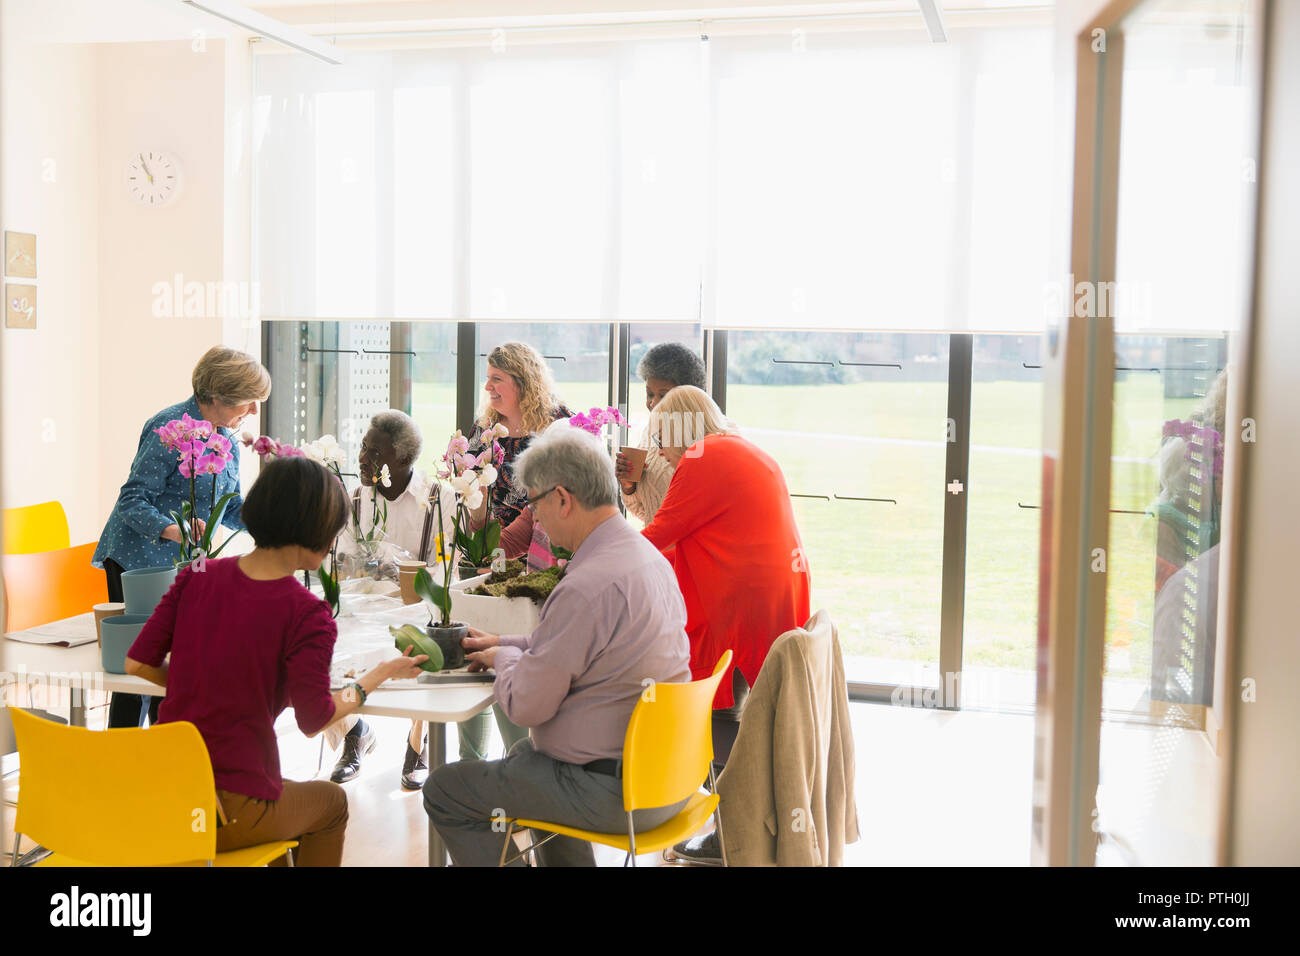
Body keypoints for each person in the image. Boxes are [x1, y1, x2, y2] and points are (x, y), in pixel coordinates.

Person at [125, 457, 427, 866]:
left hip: (159, 794)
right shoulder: (306, 612)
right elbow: (314, 720)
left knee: (288, 806)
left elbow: (137, 664)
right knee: (331, 803)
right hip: (224, 807)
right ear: (316, 532)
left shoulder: (196, 575)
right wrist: (379, 674)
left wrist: (197, 684)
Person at [422, 428, 692, 866]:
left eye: (534, 504)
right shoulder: (646, 560)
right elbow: (578, 646)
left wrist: (507, 657)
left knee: (447, 790)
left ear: (563, 499)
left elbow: (527, 707)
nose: (536, 519)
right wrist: (502, 642)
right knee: (523, 757)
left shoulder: (586, 585)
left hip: (614, 790)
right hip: (667, 775)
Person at [639, 384, 810, 863]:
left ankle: (730, 826)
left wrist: (592, 555)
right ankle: (732, 819)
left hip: (742, 599)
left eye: (661, 440)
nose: (661, 454)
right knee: (734, 703)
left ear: (681, 430)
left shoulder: (700, 458)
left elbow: (659, 534)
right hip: (774, 589)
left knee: (717, 704)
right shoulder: (739, 448)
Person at [94, 346, 271, 730]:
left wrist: (269, 528)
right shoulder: (168, 429)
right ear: (217, 396)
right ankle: (120, 758)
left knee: (177, 665)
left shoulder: (225, 435)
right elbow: (132, 500)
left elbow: (228, 505)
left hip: (182, 564)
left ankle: (164, 754)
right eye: (248, 400)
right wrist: (177, 529)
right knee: (137, 672)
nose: (255, 410)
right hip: (137, 560)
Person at [329, 410, 457, 790]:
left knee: (432, 639)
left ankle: (418, 744)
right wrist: (384, 568)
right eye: (363, 448)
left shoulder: (439, 499)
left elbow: (446, 564)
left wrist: (399, 575)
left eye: (373, 451)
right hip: (362, 607)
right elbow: (341, 560)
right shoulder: (353, 498)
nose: (362, 459)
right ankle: (356, 731)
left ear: (401, 459)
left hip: (418, 608)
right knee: (316, 643)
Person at [458, 342, 572, 759]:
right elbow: (473, 507)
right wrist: (474, 502)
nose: (487, 387)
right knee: (476, 653)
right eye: (486, 377)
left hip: (543, 564)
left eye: (496, 379)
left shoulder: (560, 426)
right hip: (494, 557)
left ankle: (518, 764)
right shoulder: (484, 431)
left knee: (510, 660)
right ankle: (474, 765)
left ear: (523, 383)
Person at [616, 342, 708, 524]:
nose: (653, 404)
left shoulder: (702, 443)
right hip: (658, 546)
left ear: (689, 395)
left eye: (663, 395)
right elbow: (646, 513)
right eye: (650, 394)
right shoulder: (651, 431)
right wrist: (628, 486)